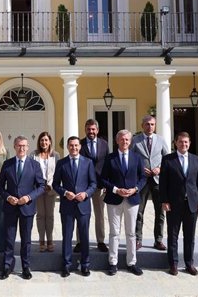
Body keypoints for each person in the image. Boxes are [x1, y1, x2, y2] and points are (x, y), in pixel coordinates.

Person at [0, 136, 45, 280]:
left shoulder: (34, 165)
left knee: (26, 240)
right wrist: (7, 197)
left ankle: (25, 267)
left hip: (27, 207)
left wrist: (29, 197)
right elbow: (0, 187)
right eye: (19, 145)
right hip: (10, 207)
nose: (21, 148)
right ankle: (7, 266)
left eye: (24, 146)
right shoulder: (7, 164)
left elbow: (41, 186)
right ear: (14, 146)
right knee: (9, 239)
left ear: (28, 147)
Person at [100, 130, 146, 276]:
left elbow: (143, 177)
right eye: (121, 139)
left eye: (127, 139)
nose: (124, 142)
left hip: (132, 199)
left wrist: (135, 189)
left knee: (131, 233)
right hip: (114, 200)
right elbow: (103, 179)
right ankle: (113, 262)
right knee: (114, 233)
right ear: (117, 141)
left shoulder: (137, 158)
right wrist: (115, 189)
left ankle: (131, 262)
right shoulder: (110, 158)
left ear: (130, 141)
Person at [159, 132, 198, 276]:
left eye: (186, 142)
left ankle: (189, 263)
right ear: (175, 143)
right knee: (172, 235)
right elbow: (163, 183)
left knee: (190, 235)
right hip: (173, 204)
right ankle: (173, 264)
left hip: (191, 203)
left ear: (189, 143)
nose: (183, 144)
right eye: (180, 142)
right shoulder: (168, 160)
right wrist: (164, 200)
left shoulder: (196, 159)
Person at [52, 136, 97, 278]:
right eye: (71, 145)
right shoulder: (61, 163)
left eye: (76, 145)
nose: (74, 148)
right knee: (67, 236)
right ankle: (66, 265)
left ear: (80, 146)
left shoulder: (88, 162)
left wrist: (86, 194)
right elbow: (55, 184)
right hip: (67, 205)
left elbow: (93, 184)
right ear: (67, 147)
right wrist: (65, 193)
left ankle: (85, 265)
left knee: (84, 236)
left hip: (83, 205)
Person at [131, 114, 169, 250]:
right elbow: (130, 159)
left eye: (152, 124)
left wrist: (160, 168)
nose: (150, 126)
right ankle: (137, 239)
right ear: (142, 126)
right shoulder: (135, 140)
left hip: (158, 180)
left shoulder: (161, 140)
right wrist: (140, 169)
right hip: (141, 181)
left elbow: (167, 159)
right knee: (139, 211)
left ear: (155, 126)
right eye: (147, 124)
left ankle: (158, 240)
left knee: (160, 212)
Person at [79, 118, 110, 252]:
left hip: (99, 185)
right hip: (83, 186)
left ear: (97, 130)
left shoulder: (104, 144)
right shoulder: (79, 144)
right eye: (88, 129)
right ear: (85, 129)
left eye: (93, 129)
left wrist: (107, 184)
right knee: (82, 214)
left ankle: (100, 241)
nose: (91, 131)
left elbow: (108, 164)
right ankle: (80, 241)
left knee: (99, 214)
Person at [31, 131, 60, 252]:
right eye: (42, 140)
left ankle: (50, 240)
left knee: (50, 215)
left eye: (46, 140)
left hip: (50, 189)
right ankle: (41, 240)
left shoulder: (56, 155)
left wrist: (51, 185)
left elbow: (58, 172)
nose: (44, 142)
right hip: (38, 189)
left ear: (50, 142)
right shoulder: (33, 154)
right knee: (40, 215)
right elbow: (31, 171)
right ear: (39, 142)